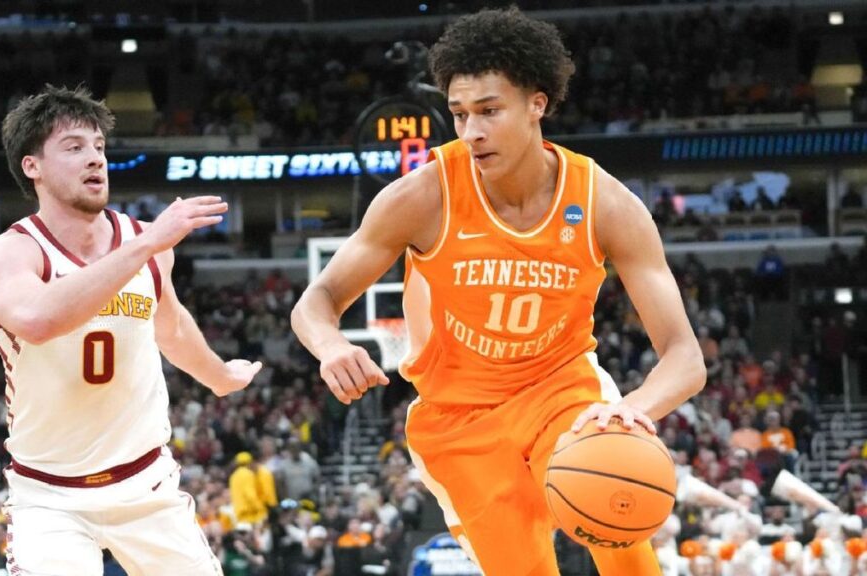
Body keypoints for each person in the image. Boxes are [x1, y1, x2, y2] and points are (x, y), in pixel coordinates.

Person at [291, 8, 705, 574]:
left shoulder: (604, 203)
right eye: (459, 114)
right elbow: (317, 301)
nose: (471, 131)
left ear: (538, 103)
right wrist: (332, 347)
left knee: (621, 525)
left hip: (560, 389)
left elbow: (685, 357)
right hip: (458, 415)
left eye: (489, 111)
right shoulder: (423, 195)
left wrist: (633, 410)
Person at [0, 85, 262, 575]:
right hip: (49, 494)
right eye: (73, 147)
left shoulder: (145, 243)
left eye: (99, 147)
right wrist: (146, 244)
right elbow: (39, 321)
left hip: (145, 484)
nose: (94, 159)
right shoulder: (9, 253)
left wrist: (218, 376)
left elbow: (169, 326)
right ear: (32, 166)